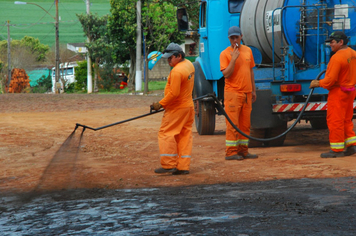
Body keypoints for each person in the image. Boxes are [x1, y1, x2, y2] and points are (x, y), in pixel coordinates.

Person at [309, 31, 356, 158]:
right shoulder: (353, 54)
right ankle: (351, 145)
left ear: (341, 42)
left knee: (335, 120)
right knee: (346, 119)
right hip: (350, 91)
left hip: (338, 92)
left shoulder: (336, 57)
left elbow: (330, 81)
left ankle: (337, 150)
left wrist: (318, 83)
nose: (330, 44)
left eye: (332, 42)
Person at [151, 43, 195, 175]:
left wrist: (160, 104)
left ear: (179, 56)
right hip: (188, 107)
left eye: (170, 58)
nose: (168, 60)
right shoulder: (189, 65)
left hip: (177, 108)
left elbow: (174, 94)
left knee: (166, 133)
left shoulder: (176, 71)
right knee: (184, 135)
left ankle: (169, 164)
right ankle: (183, 166)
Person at [219, 26, 258, 161]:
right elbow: (226, 74)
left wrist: (253, 90)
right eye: (232, 38)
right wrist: (234, 59)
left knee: (245, 125)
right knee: (233, 124)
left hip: (247, 94)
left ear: (241, 36)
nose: (235, 40)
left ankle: (243, 151)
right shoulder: (225, 54)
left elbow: (251, 71)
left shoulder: (248, 51)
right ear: (229, 39)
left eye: (237, 37)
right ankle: (231, 152)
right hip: (233, 94)